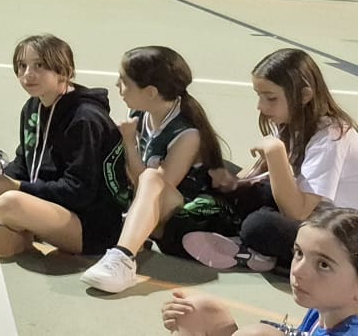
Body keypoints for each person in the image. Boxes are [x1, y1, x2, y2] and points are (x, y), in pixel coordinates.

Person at [0, 34, 125, 259]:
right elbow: (25, 163)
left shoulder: (85, 118)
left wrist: (16, 188)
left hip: (86, 224)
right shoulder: (33, 106)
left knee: (8, 203)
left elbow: (79, 191)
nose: (27, 74)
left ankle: (2, 225)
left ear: (64, 71)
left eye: (39, 65)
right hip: (44, 205)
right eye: (22, 66)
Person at [185, 49, 358, 274]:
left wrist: (275, 152)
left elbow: (297, 212)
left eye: (271, 98)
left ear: (304, 96)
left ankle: (253, 249)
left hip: (341, 235)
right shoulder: (292, 121)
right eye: (259, 96)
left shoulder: (331, 137)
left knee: (260, 226)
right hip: (311, 213)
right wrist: (231, 185)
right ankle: (245, 239)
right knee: (225, 175)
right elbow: (258, 176)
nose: (261, 106)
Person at [80, 45, 231, 294]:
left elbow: (152, 189)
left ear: (150, 92)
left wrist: (129, 143)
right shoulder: (141, 113)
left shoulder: (186, 134)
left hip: (188, 215)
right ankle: (126, 243)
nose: (117, 85)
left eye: (124, 81)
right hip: (155, 210)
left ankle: (123, 260)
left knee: (152, 177)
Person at [162, 205, 358, 335]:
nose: (298, 271)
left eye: (323, 265)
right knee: (199, 310)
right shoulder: (326, 309)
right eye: (299, 253)